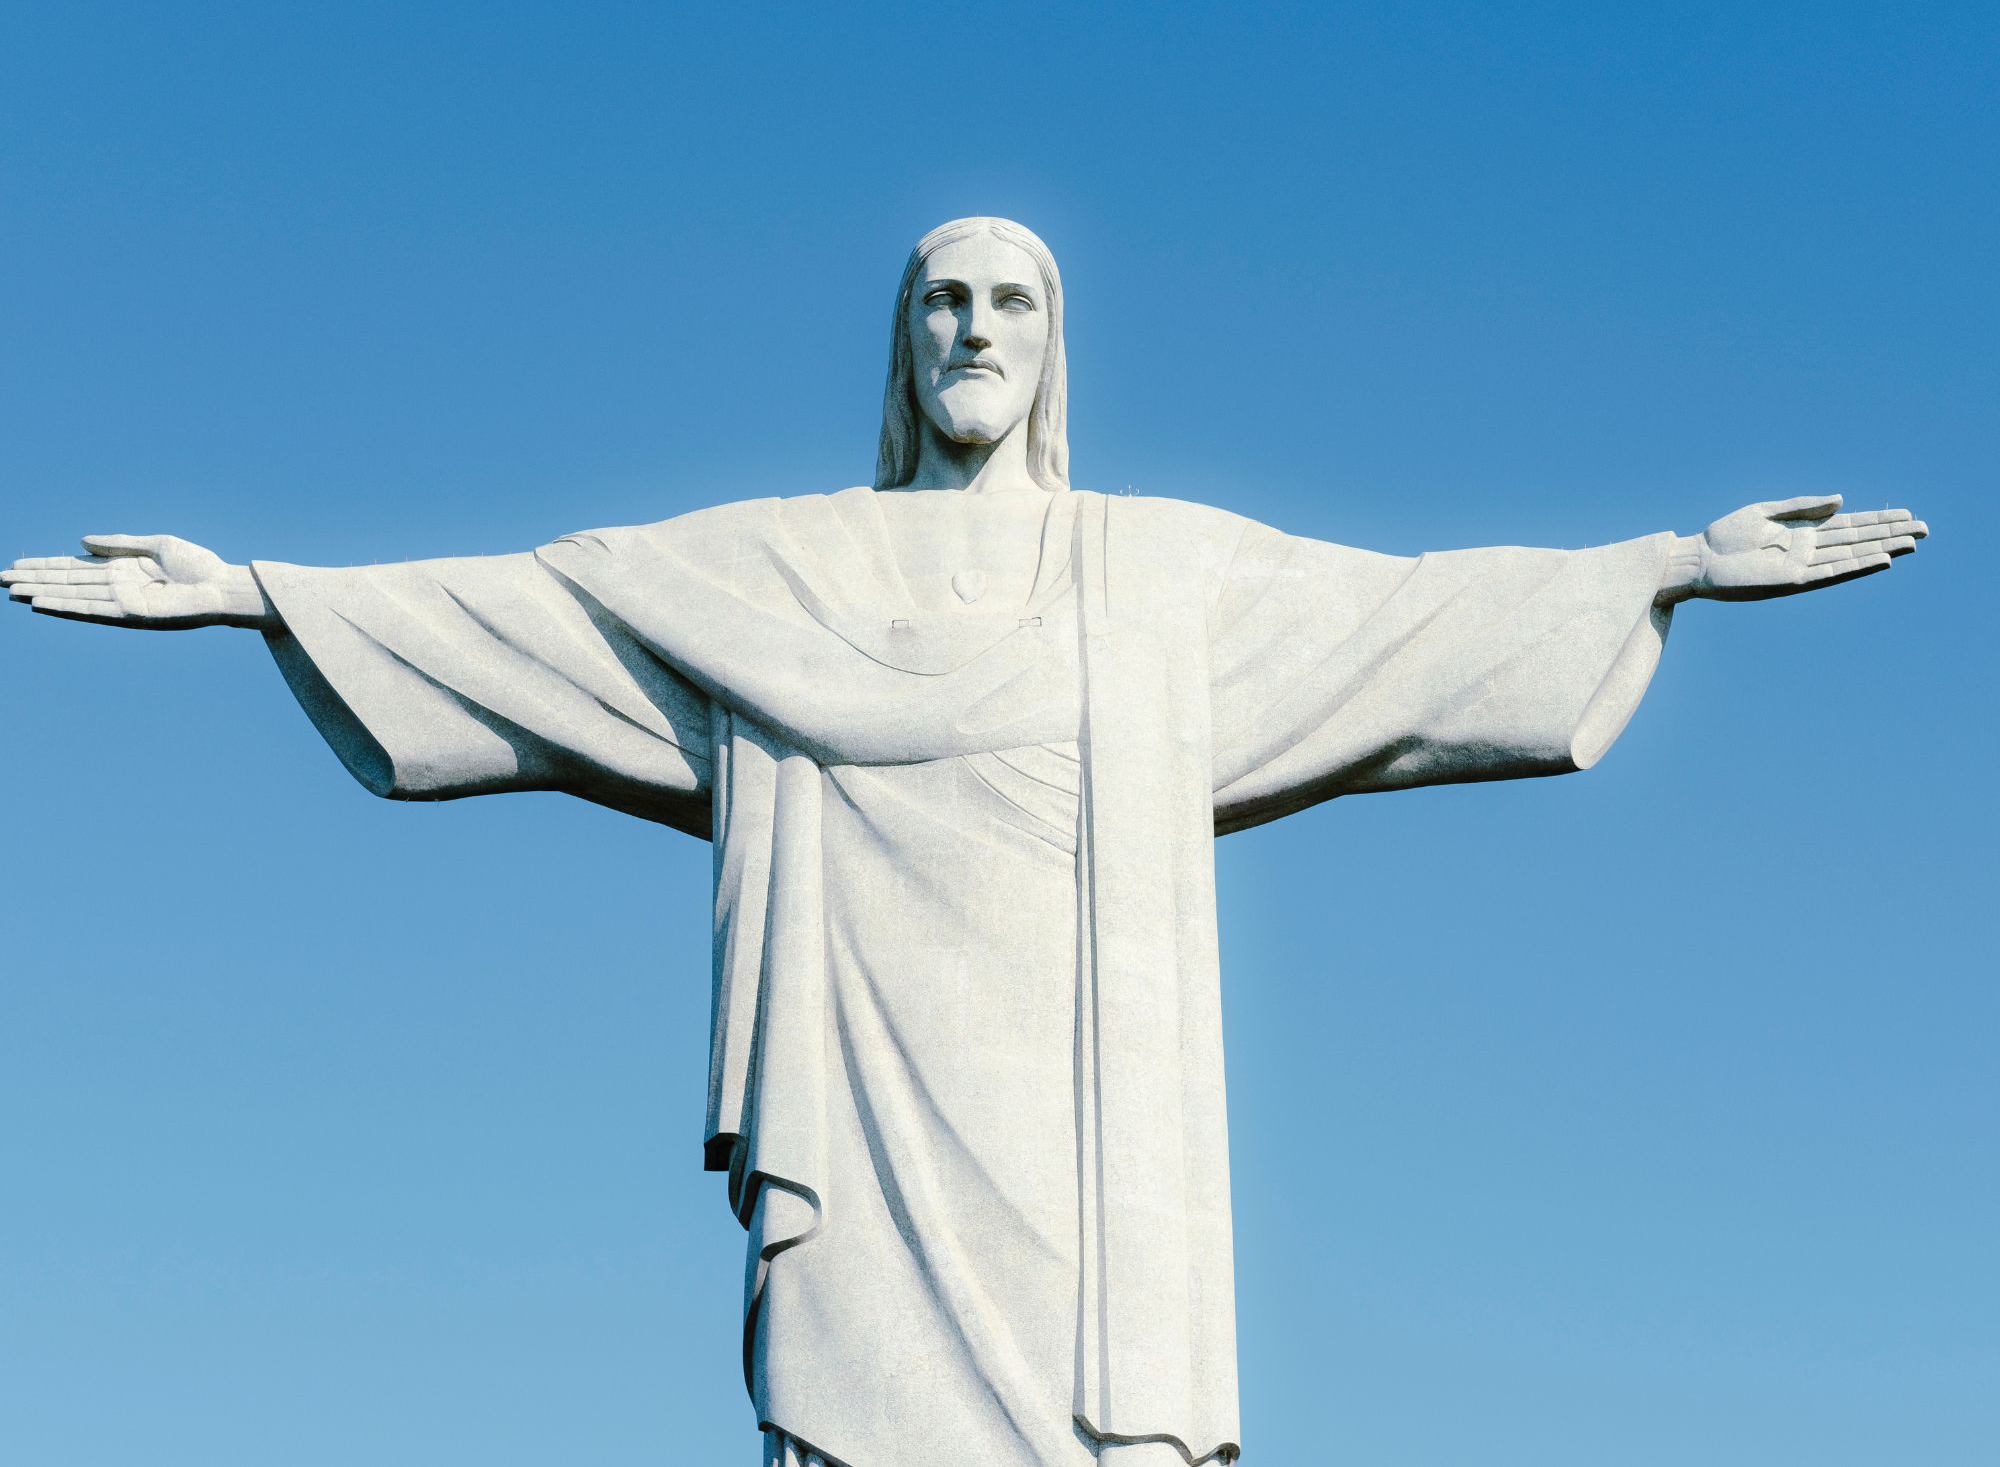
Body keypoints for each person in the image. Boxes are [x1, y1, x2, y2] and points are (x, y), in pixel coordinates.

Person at [2, 217, 1926, 1467]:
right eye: (943, 299)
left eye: (1014, 300)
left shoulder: (1153, 573)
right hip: (862, 1101)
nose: (974, 328)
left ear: (1055, 344)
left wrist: (1668, 561)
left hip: (1093, 1134)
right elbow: (544, 613)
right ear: (901, 344)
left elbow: (1405, 618)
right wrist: (261, 593)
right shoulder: (784, 568)